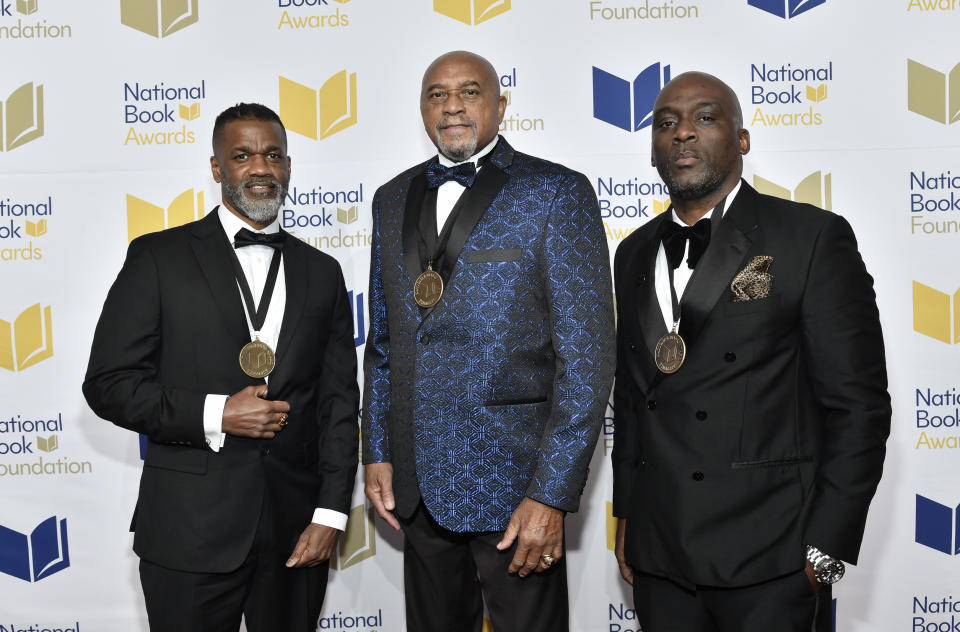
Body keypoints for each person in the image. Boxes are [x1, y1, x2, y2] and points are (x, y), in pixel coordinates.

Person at [611, 71, 891, 631]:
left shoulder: (810, 239)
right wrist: (629, 522)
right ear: (652, 149)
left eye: (705, 118)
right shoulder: (633, 252)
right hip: (661, 558)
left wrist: (825, 548)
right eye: (666, 124)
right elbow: (635, 400)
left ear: (741, 139)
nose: (683, 134)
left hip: (773, 558)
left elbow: (859, 407)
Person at [361, 50, 615, 632]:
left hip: (517, 491)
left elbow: (587, 359)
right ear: (422, 110)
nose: (451, 104)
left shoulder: (556, 192)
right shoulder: (390, 197)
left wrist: (550, 494)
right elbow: (384, 342)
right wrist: (376, 448)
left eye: (469, 91)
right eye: (436, 94)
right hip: (418, 484)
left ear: (501, 106)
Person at [83, 103, 359, 632]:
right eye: (242, 155)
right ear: (217, 168)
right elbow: (108, 385)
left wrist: (329, 513)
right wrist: (216, 414)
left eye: (273, 154)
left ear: (289, 166)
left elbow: (339, 403)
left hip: (295, 530)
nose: (260, 167)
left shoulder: (322, 272)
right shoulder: (157, 258)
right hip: (188, 529)